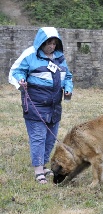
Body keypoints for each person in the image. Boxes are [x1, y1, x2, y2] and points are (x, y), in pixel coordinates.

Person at [8, 27, 73, 184]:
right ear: (41, 43)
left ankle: (43, 165)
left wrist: (68, 89)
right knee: (38, 137)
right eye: (49, 43)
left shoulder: (59, 58)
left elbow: (68, 76)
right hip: (35, 104)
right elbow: (16, 71)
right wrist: (21, 81)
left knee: (50, 139)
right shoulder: (30, 55)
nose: (52, 46)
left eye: (54, 43)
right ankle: (38, 170)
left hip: (54, 107)